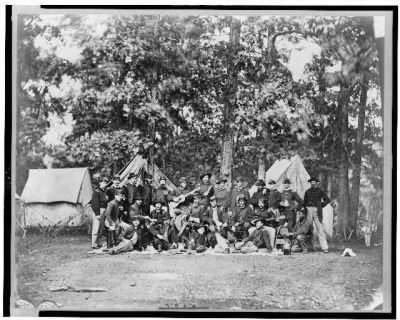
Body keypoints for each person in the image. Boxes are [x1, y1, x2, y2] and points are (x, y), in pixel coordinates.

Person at [304, 177, 331, 253]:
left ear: (317, 183)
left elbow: (327, 200)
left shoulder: (320, 191)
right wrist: (306, 208)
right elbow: (304, 202)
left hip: (317, 211)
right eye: (311, 183)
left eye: (314, 183)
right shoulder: (307, 191)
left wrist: (320, 205)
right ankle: (305, 247)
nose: (313, 184)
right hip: (308, 211)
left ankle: (325, 248)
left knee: (320, 229)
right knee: (306, 229)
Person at [90, 177, 109, 248]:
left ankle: (98, 243)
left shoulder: (104, 191)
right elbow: (94, 204)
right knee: (96, 228)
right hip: (98, 210)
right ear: (100, 183)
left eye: (106, 183)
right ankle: (94, 244)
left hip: (104, 210)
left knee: (101, 228)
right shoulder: (96, 191)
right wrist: (97, 214)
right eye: (103, 182)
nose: (105, 184)